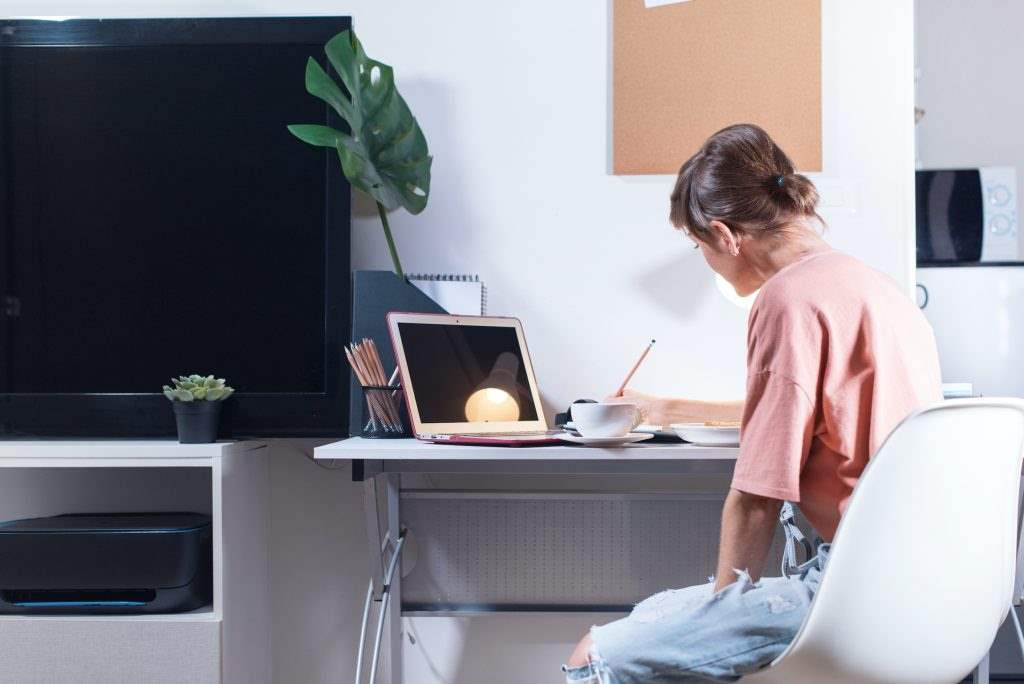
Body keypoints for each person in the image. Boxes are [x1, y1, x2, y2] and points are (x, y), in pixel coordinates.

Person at [562, 123, 942, 683]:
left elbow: (757, 494)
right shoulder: (876, 289)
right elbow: (814, 416)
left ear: (724, 234)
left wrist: (721, 613)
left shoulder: (788, 300)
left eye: (699, 247)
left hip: (856, 592)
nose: (706, 260)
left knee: (594, 656)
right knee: (653, 615)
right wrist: (668, 409)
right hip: (932, 584)